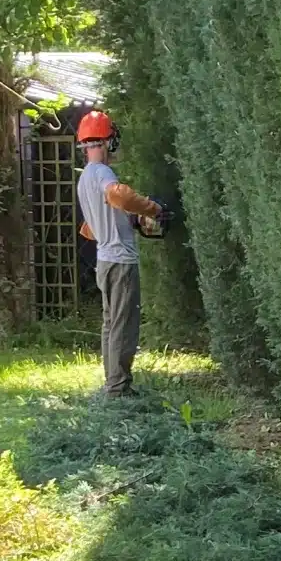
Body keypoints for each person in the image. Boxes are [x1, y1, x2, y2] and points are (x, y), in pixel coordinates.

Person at [75, 110, 163, 398]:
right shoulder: (103, 173)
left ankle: (112, 382)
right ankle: (118, 389)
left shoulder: (85, 178)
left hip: (104, 259)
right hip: (121, 260)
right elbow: (119, 196)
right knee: (124, 326)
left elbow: (94, 223)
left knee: (111, 324)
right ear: (107, 141)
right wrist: (152, 209)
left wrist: (131, 220)